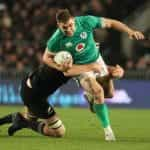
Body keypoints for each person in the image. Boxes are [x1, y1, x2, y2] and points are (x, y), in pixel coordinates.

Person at [0, 8, 144, 141]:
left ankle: (17, 121)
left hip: (38, 85)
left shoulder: (85, 22)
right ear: (58, 25)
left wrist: (129, 31)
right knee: (60, 129)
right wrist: (92, 69)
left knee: (109, 94)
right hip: (35, 92)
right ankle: (108, 130)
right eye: (64, 27)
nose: (68, 30)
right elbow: (54, 62)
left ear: (74, 20)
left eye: (70, 25)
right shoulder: (59, 48)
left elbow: (111, 23)